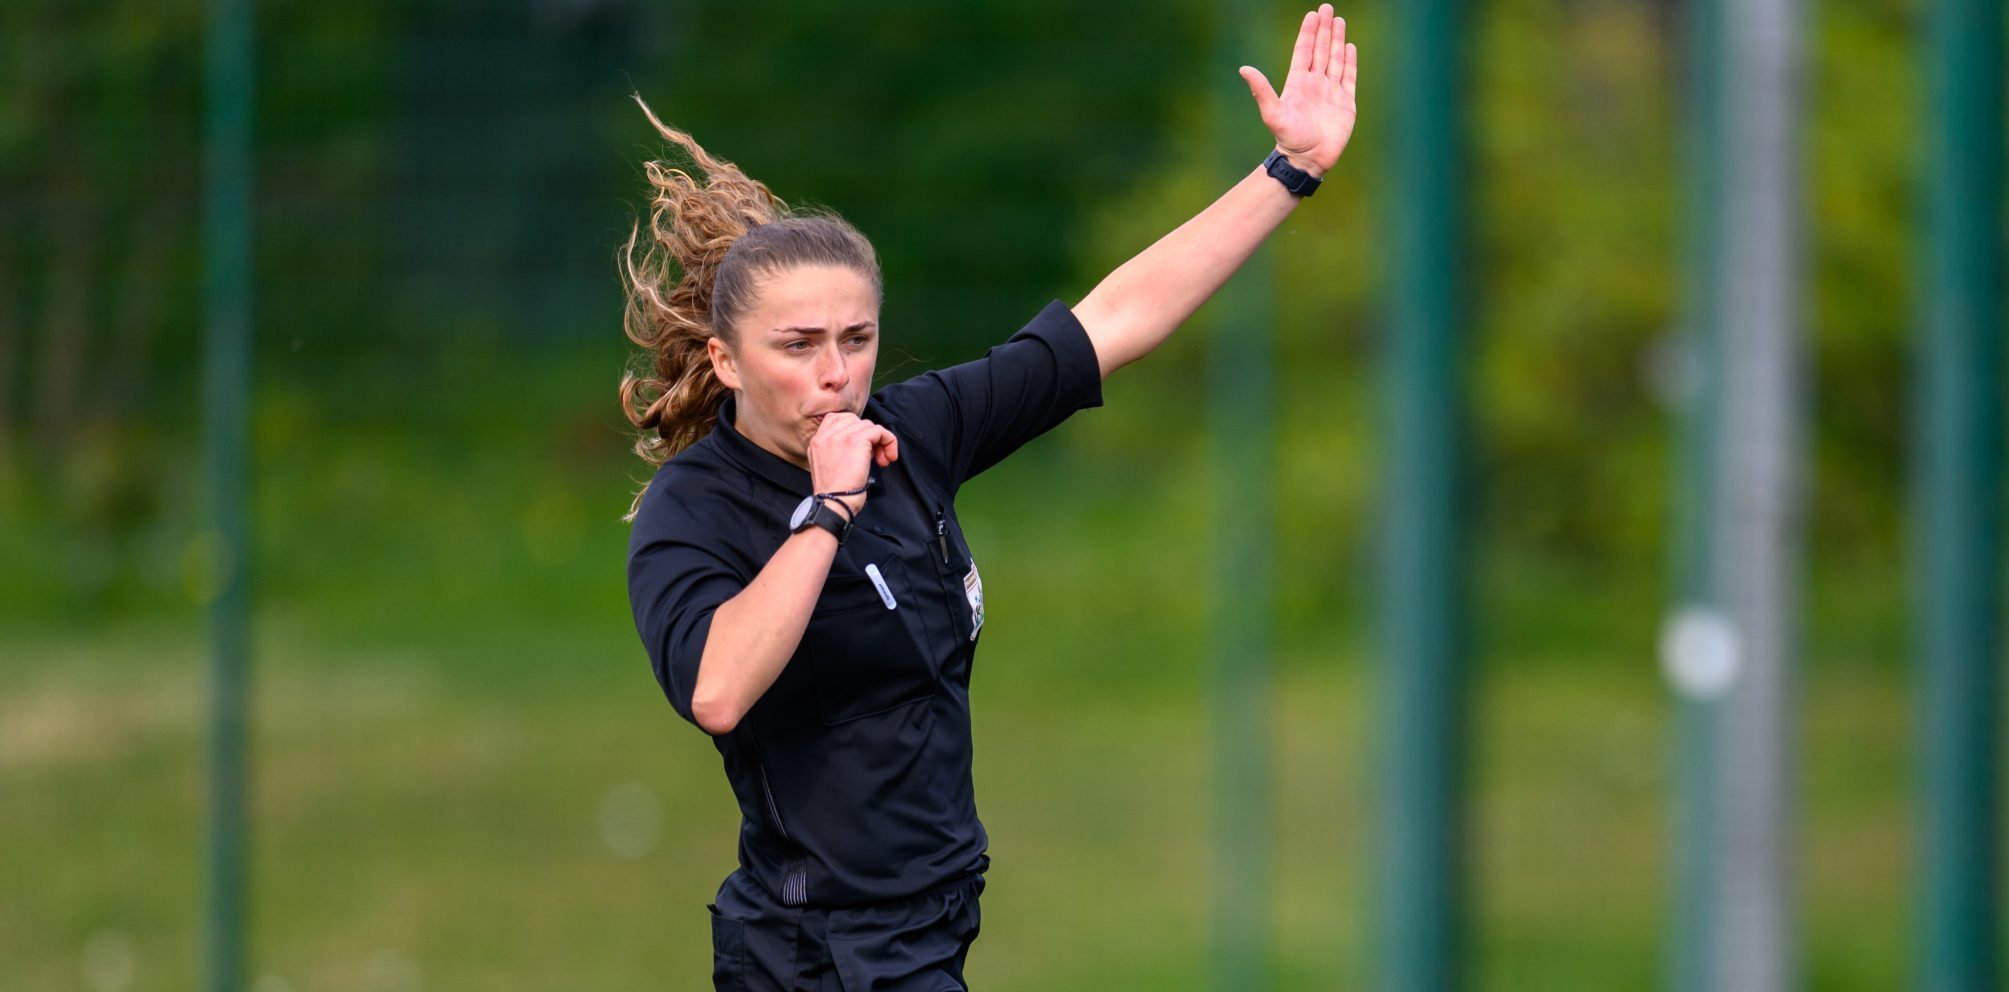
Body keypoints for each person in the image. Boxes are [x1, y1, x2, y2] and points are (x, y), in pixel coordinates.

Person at [622, 7, 1358, 989]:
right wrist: (828, 511)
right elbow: (716, 688)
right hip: (818, 956)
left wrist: (1289, 172)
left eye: (855, 338)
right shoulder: (697, 507)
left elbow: (1113, 318)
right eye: (796, 346)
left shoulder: (914, 432)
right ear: (726, 359)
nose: (835, 373)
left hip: (929, 932)